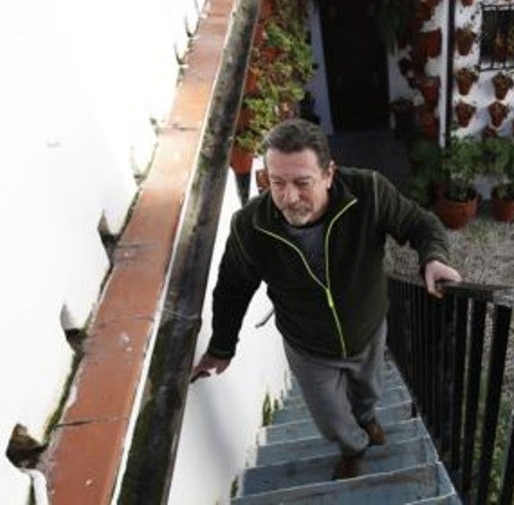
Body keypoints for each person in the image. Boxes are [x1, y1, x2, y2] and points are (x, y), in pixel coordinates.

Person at [191, 119, 462, 480]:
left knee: (369, 391)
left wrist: (434, 258)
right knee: (331, 419)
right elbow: (233, 287)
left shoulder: (369, 192)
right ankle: (353, 448)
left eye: (302, 183)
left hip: (368, 330)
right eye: (277, 183)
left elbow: (420, 223)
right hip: (308, 347)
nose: (288, 197)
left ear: (329, 173)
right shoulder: (250, 226)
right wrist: (222, 346)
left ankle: (367, 419)